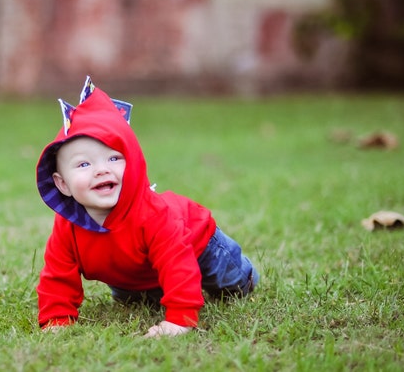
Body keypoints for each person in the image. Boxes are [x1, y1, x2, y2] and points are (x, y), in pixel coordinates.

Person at [35, 77, 259, 338]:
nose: (102, 169)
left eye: (114, 157)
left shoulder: (153, 215)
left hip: (198, 244)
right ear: (62, 184)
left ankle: (244, 275)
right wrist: (57, 319)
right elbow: (57, 275)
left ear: (133, 162)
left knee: (232, 286)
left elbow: (177, 264)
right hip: (132, 272)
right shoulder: (67, 226)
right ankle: (152, 289)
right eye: (84, 164)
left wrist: (180, 319)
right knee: (135, 301)